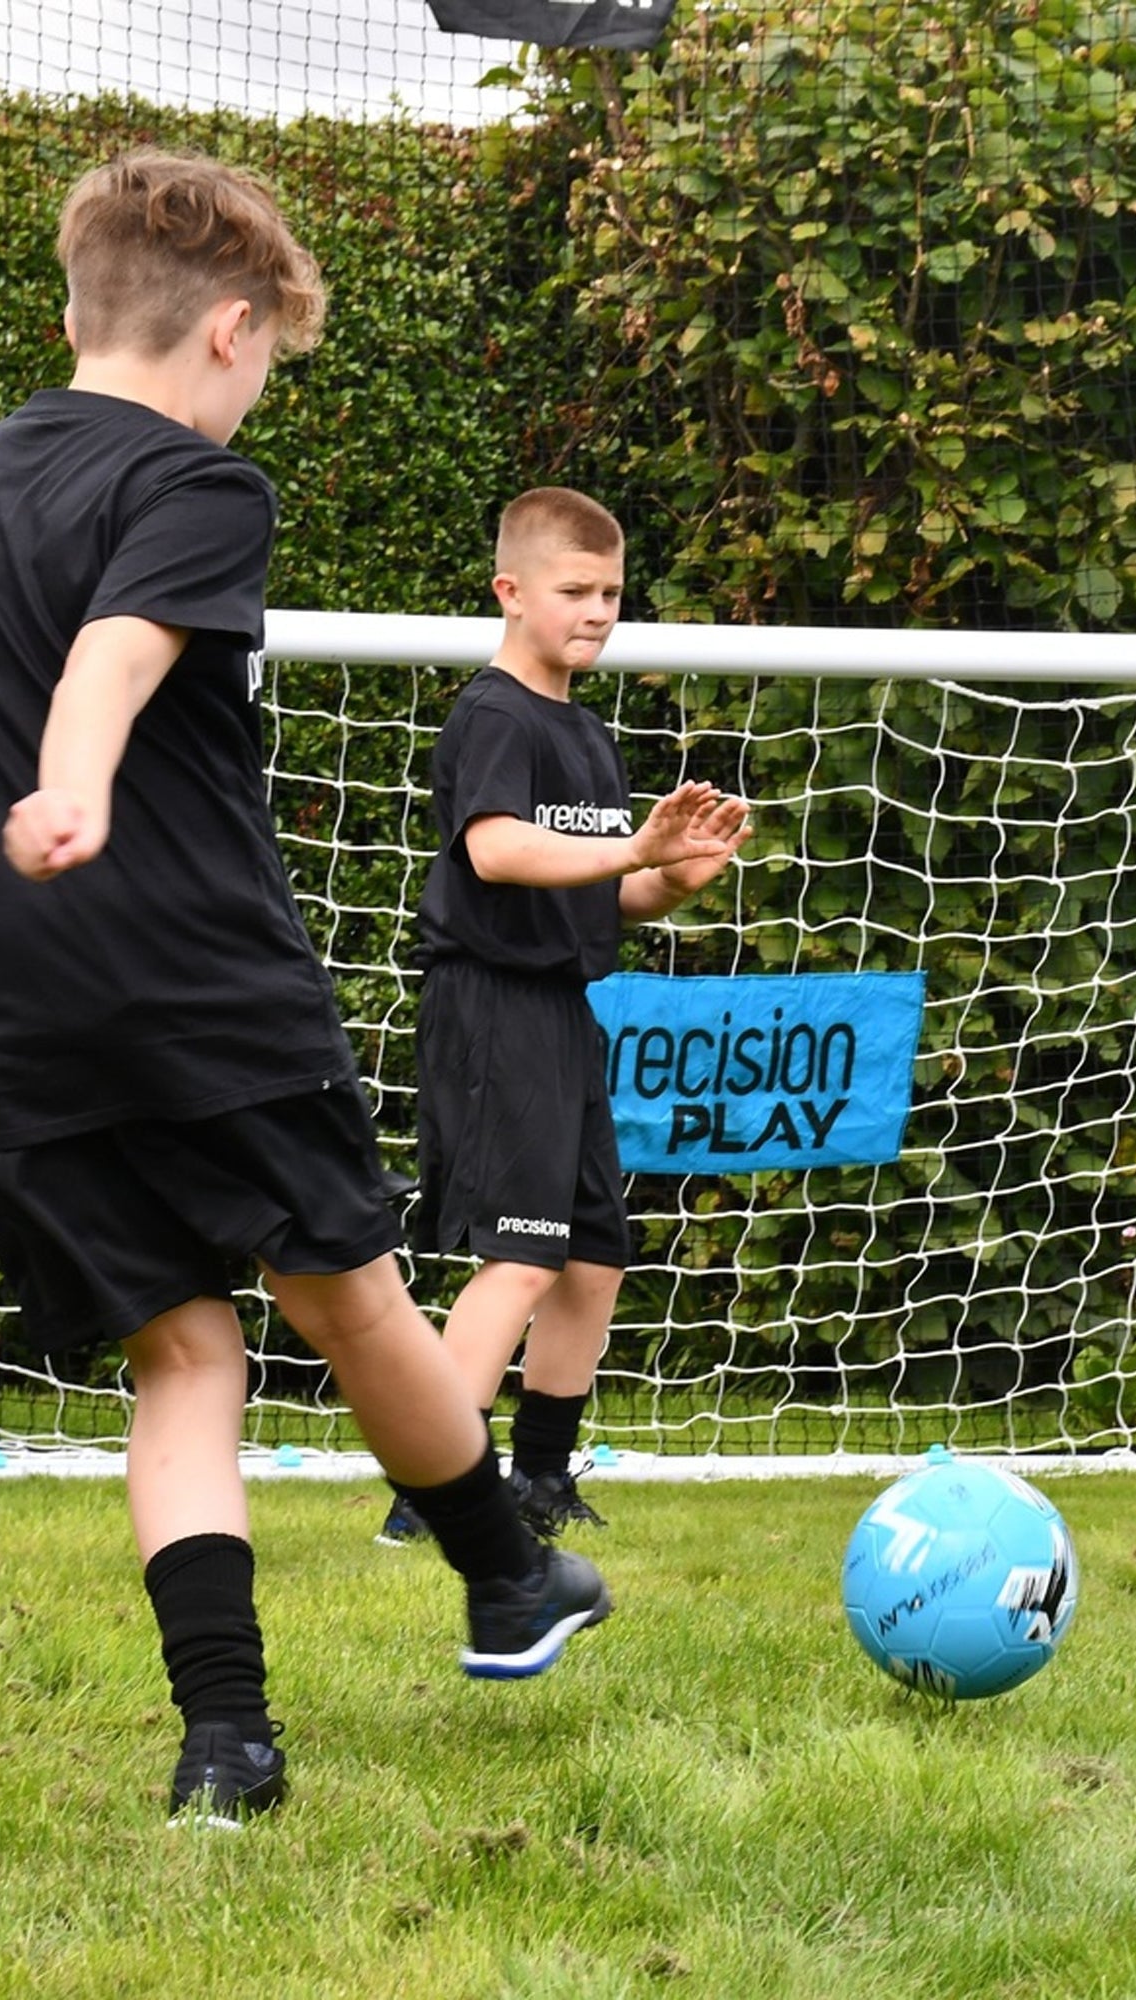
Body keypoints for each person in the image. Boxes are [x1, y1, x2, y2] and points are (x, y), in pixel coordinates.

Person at [0, 150, 608, 1830]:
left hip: (4, 1009)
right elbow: (119, 651)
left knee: (185, 1358)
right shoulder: (202, 484)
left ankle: (226, 1748)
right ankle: (506, 1579)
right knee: (351, 1298)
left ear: (77, 311)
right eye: (268, 358)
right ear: (231, 327)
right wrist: (73, 785)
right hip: (193, 985)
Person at [378, 486, 751, 1550]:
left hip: (564, 1009)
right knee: (522, 1255)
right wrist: (633, 847)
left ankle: (541, 1478)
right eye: (574, 590)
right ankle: (432, 1492)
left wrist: (671, 876)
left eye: (612, 594)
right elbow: (496, 851)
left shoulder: (584, 731)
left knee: (592, 1258)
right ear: (510, 591)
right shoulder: (494, 715)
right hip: (492, 1007)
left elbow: (605, 891)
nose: (596, 611)